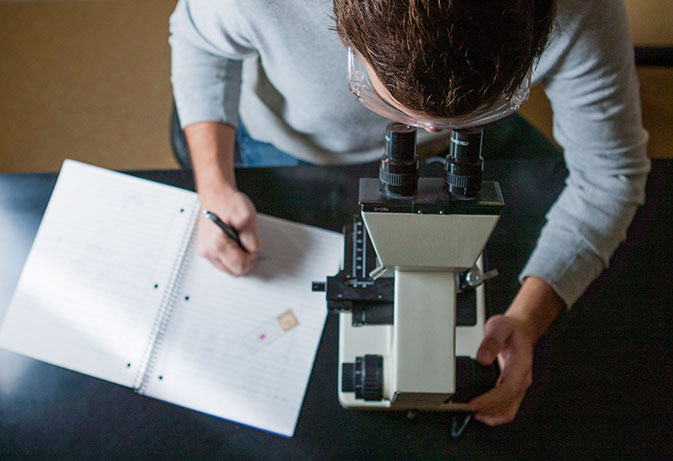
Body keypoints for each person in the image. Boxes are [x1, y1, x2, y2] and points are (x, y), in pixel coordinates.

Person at [169, 0, 650, 426]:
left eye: (451, 121)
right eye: (399, 111)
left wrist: (527, 320)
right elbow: (197, 40)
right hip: (286, 145)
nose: (423, 133)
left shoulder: (583, 7)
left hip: (481, 144)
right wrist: (214, 186)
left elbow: (610, 174)